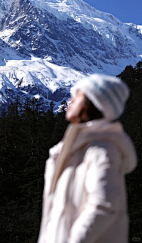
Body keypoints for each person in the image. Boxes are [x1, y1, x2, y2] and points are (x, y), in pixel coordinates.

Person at [37, 74, 137, 243]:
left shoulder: (103, 150)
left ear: (92, 103)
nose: (70, 100)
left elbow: (103, 207)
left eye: (77, 96)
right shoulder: (73, 150)